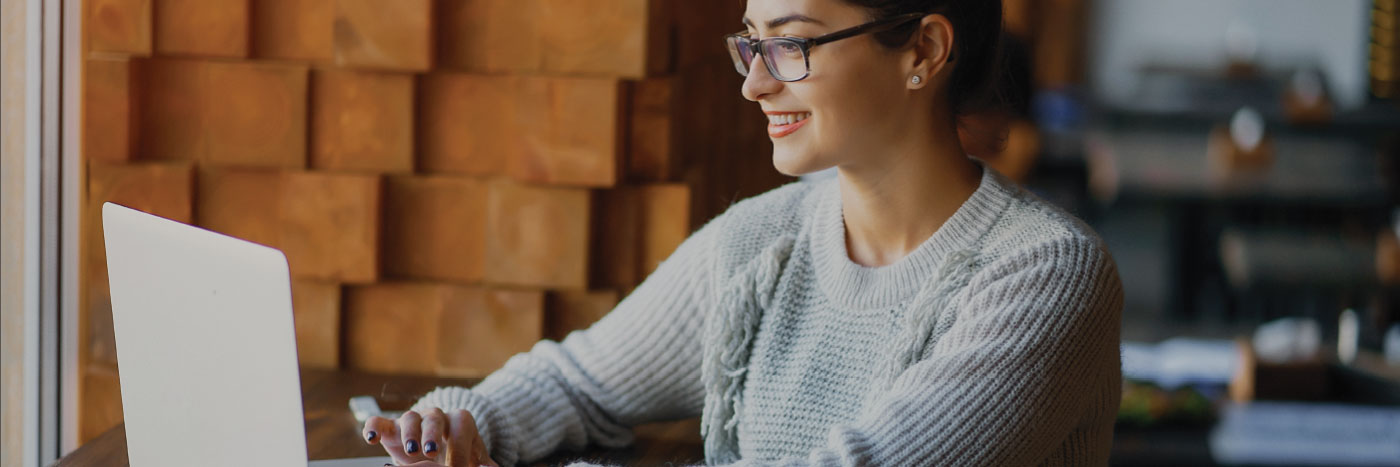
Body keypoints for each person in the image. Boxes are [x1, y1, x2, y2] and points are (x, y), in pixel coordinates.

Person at [364, 0, 1123, 465]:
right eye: (750, 41)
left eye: (790, 44)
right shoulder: (762, 240)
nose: (754, 82)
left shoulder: (1047, 276)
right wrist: (459, 427)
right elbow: (579, 380)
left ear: (923, 50)